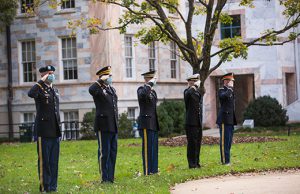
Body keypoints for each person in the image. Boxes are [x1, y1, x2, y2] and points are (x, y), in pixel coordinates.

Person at [28, 65, 61, 192]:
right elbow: (30, 93)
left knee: (54, 161)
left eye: (52, 73)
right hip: (44, 131)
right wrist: (41, 81)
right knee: (44, 162)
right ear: (43, 75)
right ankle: (44, 187)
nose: (51, 75)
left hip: (55, 130)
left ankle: (53, 186)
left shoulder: (54, 90)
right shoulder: (39, 89)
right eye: (48, 73)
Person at [89, 66, 118, 183]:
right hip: (103, 125)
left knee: (112, 152)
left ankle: (110, 177)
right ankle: (104, 178)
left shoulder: (111, 89)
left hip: (113, 125)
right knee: (104, 153)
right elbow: (91, 89)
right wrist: (100, 80)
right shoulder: (98, 89)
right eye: (108, 76)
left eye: (110, 75)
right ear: (103, 77)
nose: (110, 78)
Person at [137, 70, 160, 175]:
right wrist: (149, 84)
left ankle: (153, 170)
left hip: (153, 123)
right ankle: (147, 171)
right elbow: (143, 96)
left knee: (154, 148)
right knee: (147, 148)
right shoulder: (141, 89)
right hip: (146, 123)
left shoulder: (153, 92)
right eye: (151, 79)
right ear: (146, 80)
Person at [216, 73, 237, 166]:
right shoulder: (221, 90)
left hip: (230, 119)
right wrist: (230, 88)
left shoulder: (230, 91)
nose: (232, 83)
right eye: (230, 81)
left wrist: (230, 89)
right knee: (224, 141)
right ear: (225, 81)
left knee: (229, 141)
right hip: (224, 119)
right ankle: (225, 161)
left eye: (232, 81)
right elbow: (224, 96)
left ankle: (228, 159)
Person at [184, 74, 203, 168]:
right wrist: (194, 87)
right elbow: (188, 94)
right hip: (190, 122)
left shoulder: (196, 93)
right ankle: (191, 164)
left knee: (198, 143)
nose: (196, 83)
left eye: (196, 81)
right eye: (194, 81)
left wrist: (196, 88)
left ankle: (197, 162)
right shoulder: (187, 91)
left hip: (197, 121)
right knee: (192, 143)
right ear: (190, 82)